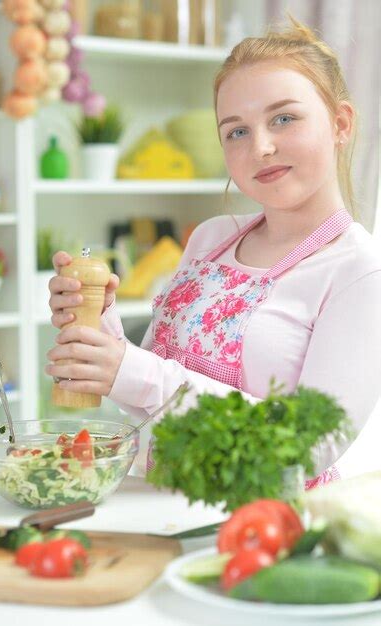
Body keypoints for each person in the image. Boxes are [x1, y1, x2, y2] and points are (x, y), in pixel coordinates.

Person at [46, 16, 381, 483]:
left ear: (341, 123)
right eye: (236, 131)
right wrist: (100, 336)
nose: (260, 146)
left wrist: (133, 371)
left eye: (284, 118)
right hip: (160, 508)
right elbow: (147, 399)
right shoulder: (211, 237)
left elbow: (309, 445)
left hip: (262, 527)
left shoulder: (359, 271)